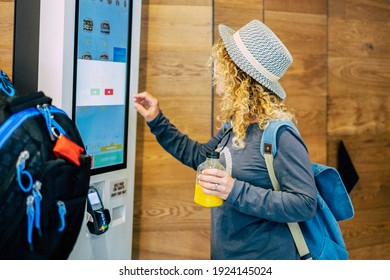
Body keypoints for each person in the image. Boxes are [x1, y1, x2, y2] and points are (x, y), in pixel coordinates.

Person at [134, 19, 317, 260]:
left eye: (222, 64)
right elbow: (200, 157)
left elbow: (304, 204)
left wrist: (234, 190)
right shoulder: (237, 125)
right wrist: (157, 120)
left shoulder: (280, 134)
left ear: (239, 75)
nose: (216, 70)